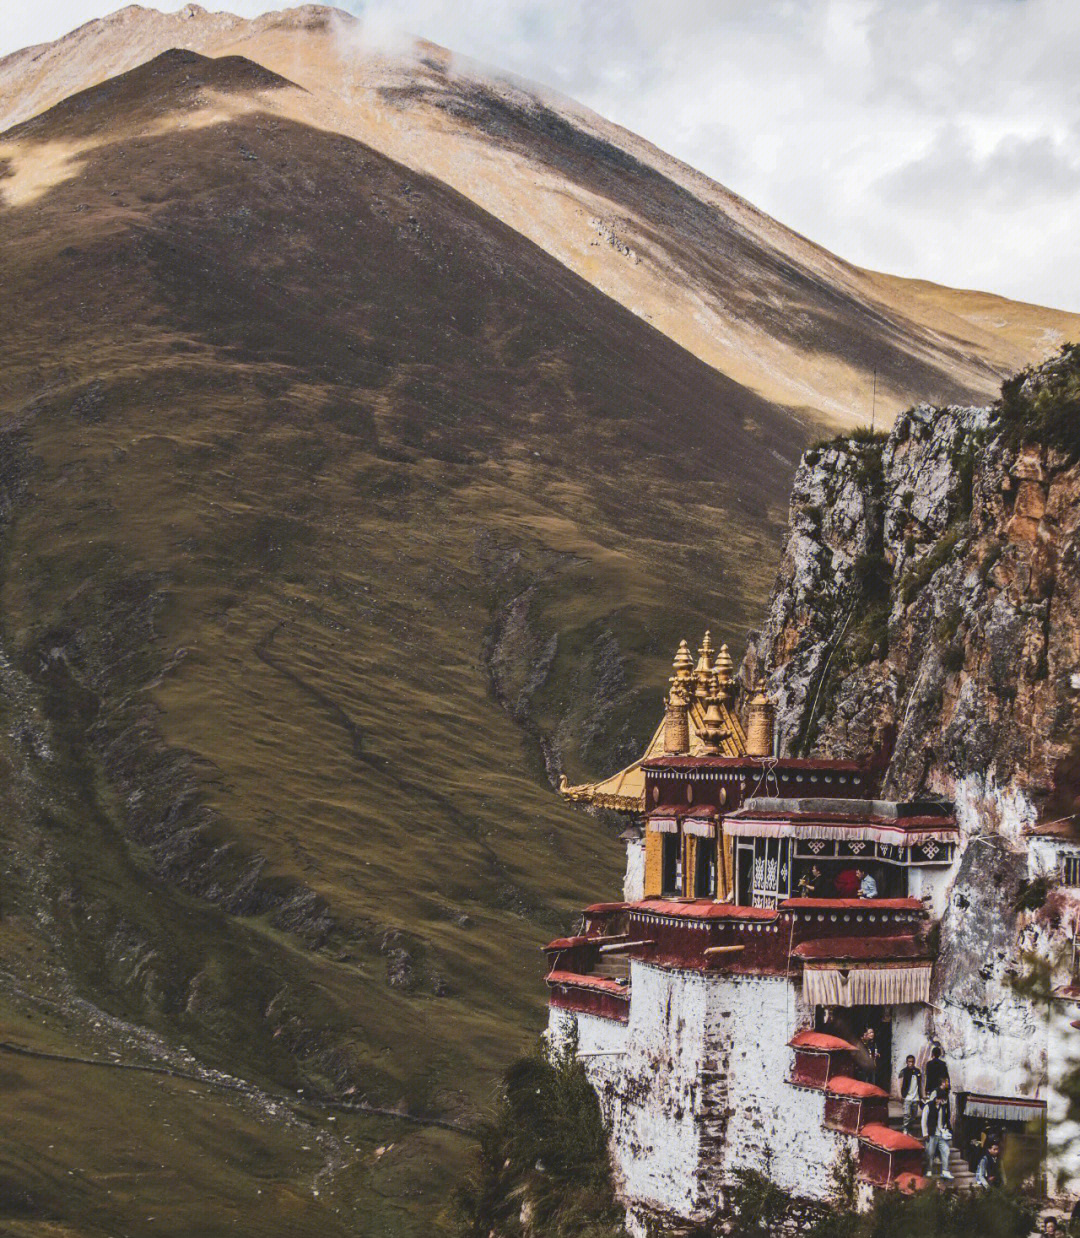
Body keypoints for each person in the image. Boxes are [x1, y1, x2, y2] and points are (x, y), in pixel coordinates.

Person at [922, 1081, 954, 1179]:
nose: (941, 1101)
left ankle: (945, 1170)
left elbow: (940, 1121)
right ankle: (929, 1170)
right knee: (930, 1153)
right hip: (931, 1133)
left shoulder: (940, 1108)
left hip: (938, 1134)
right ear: (936, 1098)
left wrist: (943, 1131)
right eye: (940, 1099)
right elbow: (924, 1120)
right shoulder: (928, 1106)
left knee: (946, 1150)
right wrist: (925, 1133)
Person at [898, 1054, 923, 1135]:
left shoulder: (917, 1071)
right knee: (907, 1114)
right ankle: (905, 1128)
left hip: (916, 1097)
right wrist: (900, 1094)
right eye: (909, 1062)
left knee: (914, 1114)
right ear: (906, 1062)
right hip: (907, 1096)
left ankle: (909, 1128)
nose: (911, 1063)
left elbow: (921, 1083)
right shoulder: (903, 1071)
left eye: (912, 1062)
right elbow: (899, 1083)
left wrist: (922, 1095)